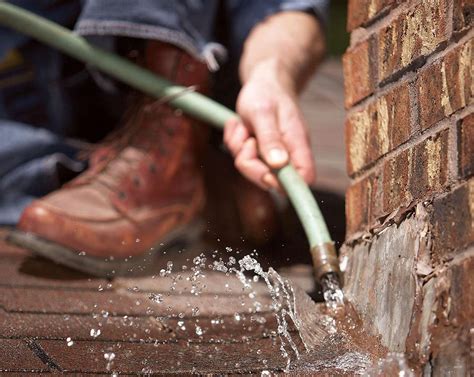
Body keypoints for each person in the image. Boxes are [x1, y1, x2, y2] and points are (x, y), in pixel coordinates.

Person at [0, 0, 328, 275]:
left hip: (191, 69)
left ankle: (172, 156)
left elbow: (287, 8)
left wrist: (270, 75)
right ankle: (211, 193)